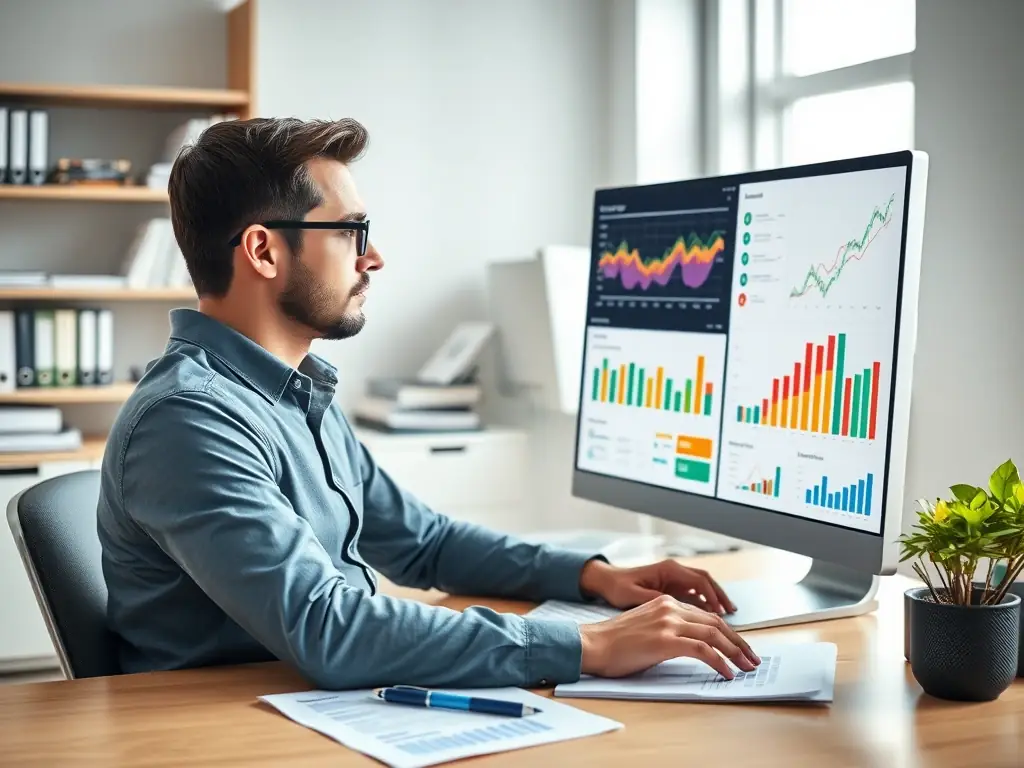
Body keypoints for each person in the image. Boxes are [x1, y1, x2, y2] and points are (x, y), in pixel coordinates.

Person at [96, 116, 760, 689]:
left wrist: (597, 578)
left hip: (313, 699)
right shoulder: (189, 420)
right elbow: (326, 626)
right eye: (352, 232)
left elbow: (425, 543)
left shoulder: (295, 391)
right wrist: (588, 646)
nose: (374, 257)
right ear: (265, 251)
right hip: (228, 728)